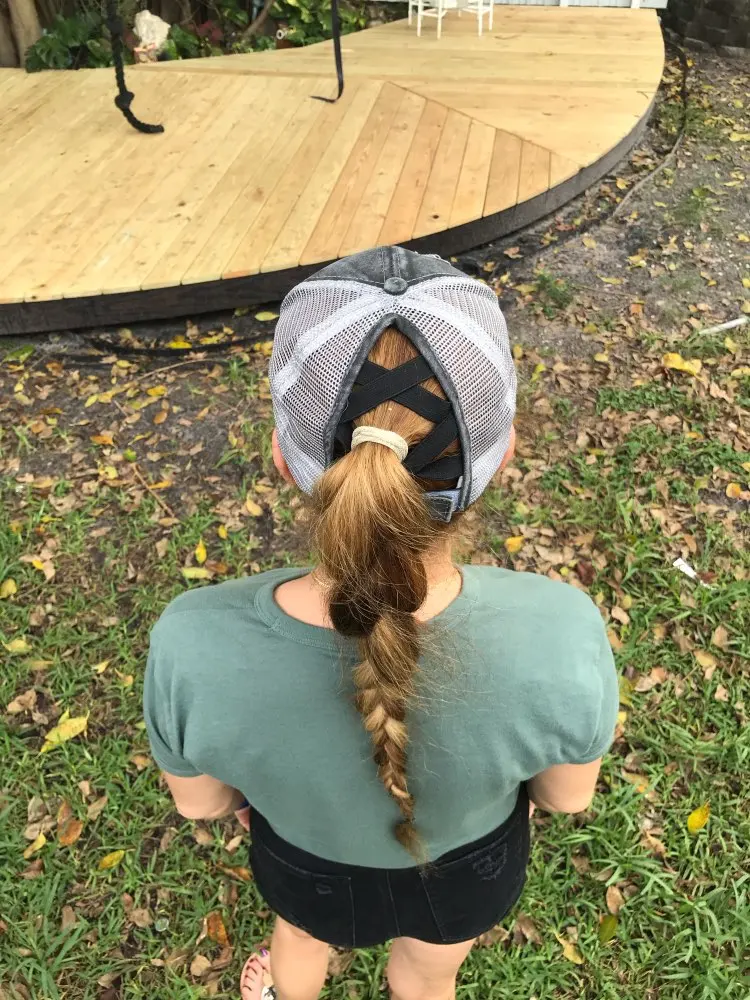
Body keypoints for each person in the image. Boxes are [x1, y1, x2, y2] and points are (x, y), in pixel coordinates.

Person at [143, 247, 619, 1000]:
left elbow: (202, 804)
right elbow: (566, 798)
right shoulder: (563, 628)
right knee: (431, 974)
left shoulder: (190, 639)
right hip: (468, 873)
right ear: (502, 456)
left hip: (303, 867)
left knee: (300, 939)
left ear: (285, 457)